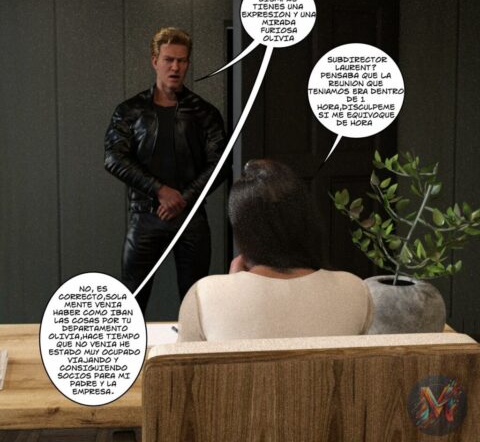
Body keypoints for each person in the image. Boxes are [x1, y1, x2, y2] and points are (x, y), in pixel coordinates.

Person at [177, 159, 373, 341]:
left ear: (243, 231)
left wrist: (232, 288)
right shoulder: (355, 291)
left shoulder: (203, 296)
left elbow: (185, 367)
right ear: (307, 221)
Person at [104, 27, 228, 314]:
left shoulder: (204, 113)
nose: (175, 67)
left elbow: (221, 163)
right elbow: (113, 158)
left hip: (190, 216)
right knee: (132, 300)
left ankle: (192, 345)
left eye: (181, 61)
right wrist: (160, 190)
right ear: (154, 61)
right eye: (169, 59)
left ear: (187, 63)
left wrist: (183, 198)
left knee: (195, 302)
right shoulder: (130, 110)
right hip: (145, 215)